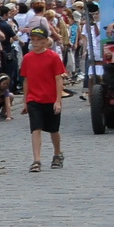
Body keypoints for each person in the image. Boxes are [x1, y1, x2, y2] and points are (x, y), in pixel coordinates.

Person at [19, 28, 66, 173]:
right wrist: (25, 100)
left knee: (53, 129)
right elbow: (26, 80)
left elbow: (58, 79)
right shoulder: (28, 58)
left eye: (39, 40)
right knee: (36, 128)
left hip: (50, 98)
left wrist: (58, 100)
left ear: (46, 41)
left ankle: (57, 153)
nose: (35, 42)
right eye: (33, 39)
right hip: (34, 98)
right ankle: (36, 160)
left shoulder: (53, 57)